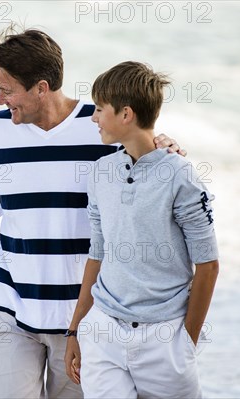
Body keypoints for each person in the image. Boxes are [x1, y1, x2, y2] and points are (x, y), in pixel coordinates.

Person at [0, 25, 185, 398]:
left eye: (7, 89)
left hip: (86, 315)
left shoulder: (101, 126)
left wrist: (164, 149)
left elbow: (149, 170)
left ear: (41, 87)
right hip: (10, 307)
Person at [64, 61, 219, 398]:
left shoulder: (181, 176)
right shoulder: (101, 172)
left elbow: (208, 264)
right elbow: (98, 254)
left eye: (100, 109)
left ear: (126, 115)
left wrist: (185, 343)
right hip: (104, 330)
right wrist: (76, 330)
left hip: (165, 340)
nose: (93, 117)